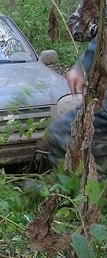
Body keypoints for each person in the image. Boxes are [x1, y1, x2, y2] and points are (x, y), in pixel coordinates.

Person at [46, 36, 107, 170]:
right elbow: (100, 42)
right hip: (102, 107)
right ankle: (74, 185)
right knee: (58, 132)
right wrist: (80, 68)